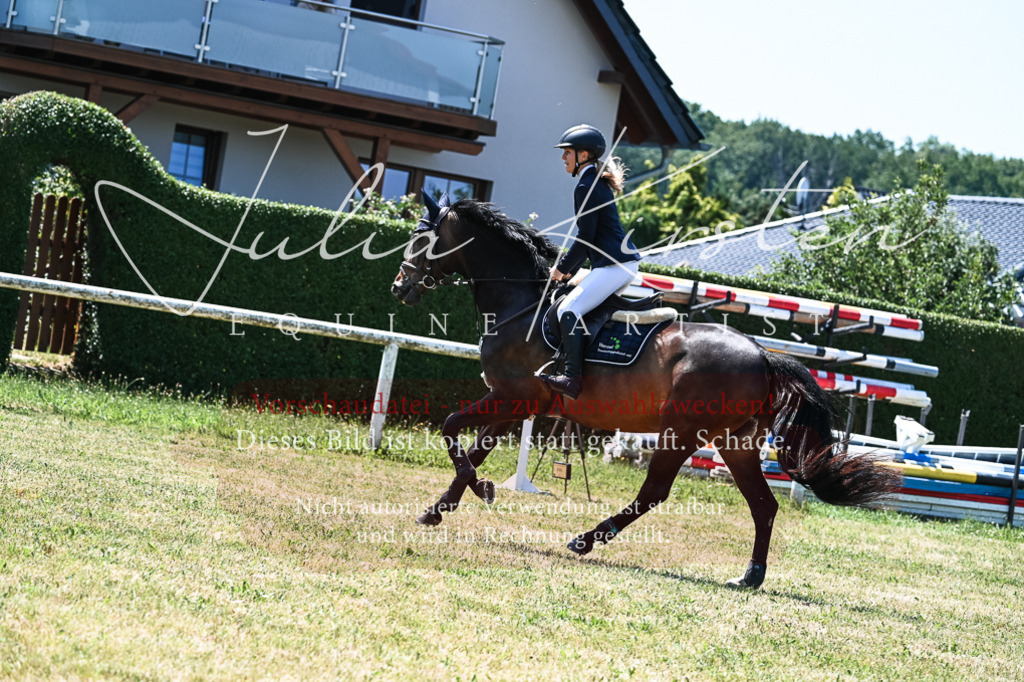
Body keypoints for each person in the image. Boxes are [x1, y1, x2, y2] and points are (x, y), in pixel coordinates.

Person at [540, 124, 641, 399]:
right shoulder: (591, 182)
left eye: (567, 153)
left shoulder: (585, 186)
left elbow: (585, 238)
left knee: (568, 311)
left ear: (583, 155)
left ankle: (572, 379)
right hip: (614, 263)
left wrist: (561, 269)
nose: (563, 158)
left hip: (613, 265)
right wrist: (567, 269)